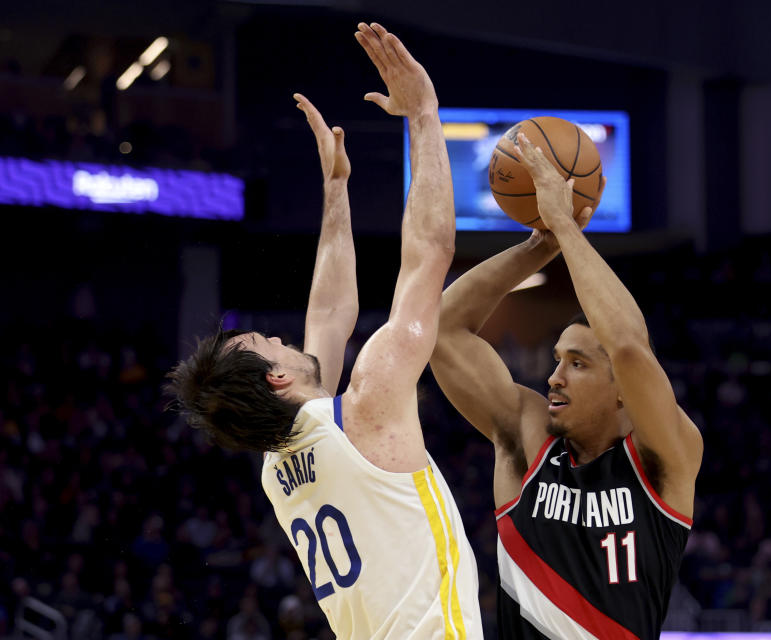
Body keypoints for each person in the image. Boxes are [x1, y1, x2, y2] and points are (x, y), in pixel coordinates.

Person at [167, 23, 482, 639]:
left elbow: (329, 318)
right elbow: (430, 254)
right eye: (272, 345)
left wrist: (335, 191)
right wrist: (423, 114)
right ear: (277, 377)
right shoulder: (368, 406)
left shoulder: (276, 464)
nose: (285, 340)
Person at [430, 132, 703, 639]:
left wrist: (567, 227)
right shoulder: (527, 439)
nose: (553, 378)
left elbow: (626, 345)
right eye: (557, 360)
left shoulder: (665, 456)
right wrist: (541, 245)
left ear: (623, 387)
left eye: (576, 364)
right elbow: (443, 329)